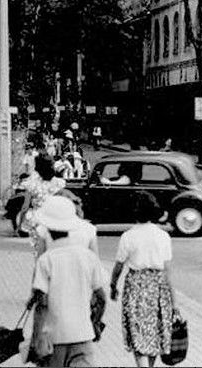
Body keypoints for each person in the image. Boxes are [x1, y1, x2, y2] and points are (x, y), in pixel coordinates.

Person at [28, 196, 107, 367]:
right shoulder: (88, 258)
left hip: (54, 338)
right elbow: (101, 298)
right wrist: (96, 322)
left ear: (47, 228)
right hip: (83, 335)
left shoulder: (46, 261)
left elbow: (42, 305)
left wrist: (35, 339)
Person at [110, 192, 176, 368]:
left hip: (136, 285)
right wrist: (174, 302)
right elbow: (168, 270)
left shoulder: (128, 236)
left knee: (137, 330)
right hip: (158, 286)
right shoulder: (163, 236)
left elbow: (118, 266)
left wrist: (113, 285)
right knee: (154, 332)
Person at [19, 153, 67, 237]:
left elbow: (25, 207)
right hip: (55, 221)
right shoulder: (59, 184)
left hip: (38, 221)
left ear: (38, 169)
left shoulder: (32, 185)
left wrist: (20, 224)